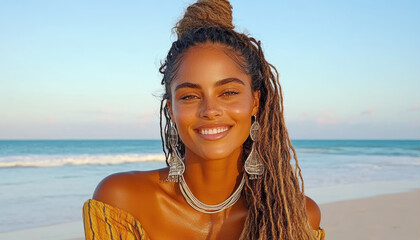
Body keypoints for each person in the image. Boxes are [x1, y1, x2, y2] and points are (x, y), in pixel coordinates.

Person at [83, 0, 324, 239]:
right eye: (189, 96)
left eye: (228, 93)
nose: (210, 110)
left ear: (255, 102)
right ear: (172, 111)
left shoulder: (295, 217)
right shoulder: (122, 201)